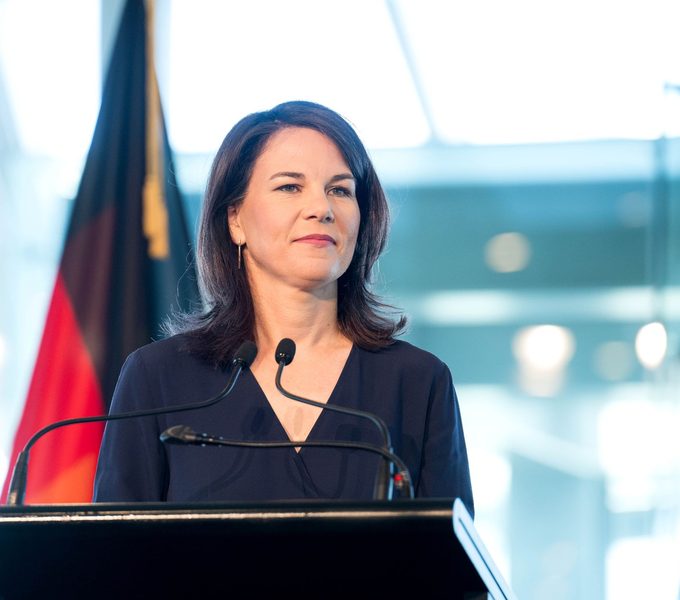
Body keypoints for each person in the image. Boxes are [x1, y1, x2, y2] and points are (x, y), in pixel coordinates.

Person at [93, 101, 474, 515]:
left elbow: (453, 570)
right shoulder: (158, 378)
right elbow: (114, 564)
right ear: (235, 219)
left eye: (340, 190)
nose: (321, 208)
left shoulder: (417, 382)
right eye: (290, 186)